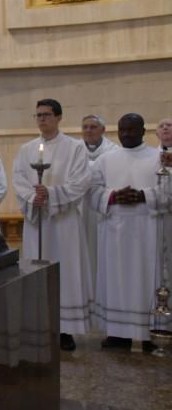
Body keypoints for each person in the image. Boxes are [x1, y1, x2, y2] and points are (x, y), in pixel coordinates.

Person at [12, 99, 92, 351]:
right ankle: (38, 325)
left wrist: (52, 194)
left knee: (65, 271)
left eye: (46, 114)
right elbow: (18, 179)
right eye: (38, 115)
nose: (42, 119)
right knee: (36, 268)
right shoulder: (26, 149)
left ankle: (65, 329)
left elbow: (81, 181)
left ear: (58, 117)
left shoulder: (75, 148)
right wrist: (32, 197)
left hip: (64, 221)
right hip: (37, 221)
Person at [87, 114, 164, 351]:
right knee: (116, 281)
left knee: (147, 281)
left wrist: (143, 195)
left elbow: (169, 190)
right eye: (122, 130)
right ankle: (118, 334)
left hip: (148, 230)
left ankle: (150, 335)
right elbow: (91, 191)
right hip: (114, 231)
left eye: (131, 130)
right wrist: (113, 196)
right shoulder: (105, 160)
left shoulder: (159, 158)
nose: (126, 134)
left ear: (143, 131)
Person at [81, 114, 118, 301]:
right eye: (85, 127)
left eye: (93, 127)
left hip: (102, 207)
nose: (88, 130)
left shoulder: (114, 151)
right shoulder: (75, 150)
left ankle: (103, 293)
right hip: (80, 207)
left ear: (103, 130)